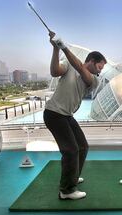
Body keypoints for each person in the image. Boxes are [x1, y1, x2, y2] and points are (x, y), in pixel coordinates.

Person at [43, 31, 106, 200]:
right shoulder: (69, 65)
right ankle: (67, 190)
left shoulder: (94, 79)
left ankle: (72, 176)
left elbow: (80, 67)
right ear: (92, 61)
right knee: (71, 150)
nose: (100, 71)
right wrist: (56, 49)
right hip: (54, 113)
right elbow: (55, 71)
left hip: (65, 115)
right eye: (100, 67)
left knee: (82, 147)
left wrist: (64, 47)